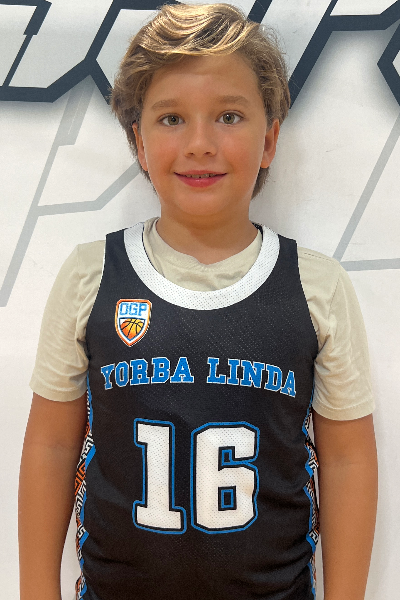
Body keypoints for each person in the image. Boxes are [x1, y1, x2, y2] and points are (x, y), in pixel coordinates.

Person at [18, 4, 378, 600]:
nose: (200, 144)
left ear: (269, 139)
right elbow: (52, 446)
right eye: (171, 119)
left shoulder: (316, 287)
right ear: (139, 142)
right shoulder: (91, 276)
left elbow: (347, 461)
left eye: (229, 116)